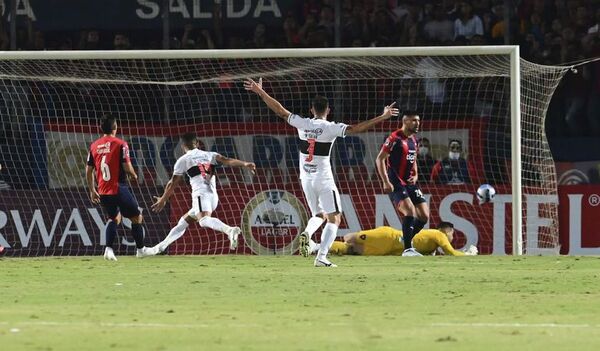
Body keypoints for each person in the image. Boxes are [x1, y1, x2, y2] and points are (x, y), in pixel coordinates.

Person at [245, 78, 399, 267]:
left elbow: (280, 110)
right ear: (328, 110)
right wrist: (383, 117)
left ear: (312, 110)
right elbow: (357, 128)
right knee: (335, 218)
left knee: (319, 215)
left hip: (305, 178)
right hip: (323, 179)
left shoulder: (302, 123)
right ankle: (321, 257)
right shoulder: (330, 128)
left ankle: (308, 235)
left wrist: (260, 92)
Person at [150, 133, 256, 254]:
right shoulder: (210, 155)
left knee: (204, 221)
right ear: (198, 144)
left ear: (182, 146)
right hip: (213, 197)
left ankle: (230, 230)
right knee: (183, 222)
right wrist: (245, 164)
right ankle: (158, 248)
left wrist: (163, 199)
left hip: (201, 196)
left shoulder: (183, 160)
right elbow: (228, 160)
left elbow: (172, 183)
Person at [85, 114, 152, 261]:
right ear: (115, 127)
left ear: (101, 128)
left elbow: (88, 170)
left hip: (103, 190)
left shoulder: (94, 146)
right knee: (136, 217)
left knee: (113, 218)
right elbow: (127, 168)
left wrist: (92, 190)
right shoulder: (121, 144)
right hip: (118, 188)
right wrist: (134, 175)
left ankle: (108, 249)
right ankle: (140, 250)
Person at [375, 111, 429, 256]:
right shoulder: (394, 138)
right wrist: (385, 181)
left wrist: (416, 174)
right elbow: (380, 159)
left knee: (424, 216)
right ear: (405, 122)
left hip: (410, 183)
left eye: (418, 120)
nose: (417, 123)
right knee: (410, 211)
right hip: (396, 183)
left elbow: (414, 158)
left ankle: (405, 237)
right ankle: (407, 249)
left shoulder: (414, 140)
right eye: (413, 120)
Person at [306, 222, 478, 257]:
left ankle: (315, 248)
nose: (452, 237)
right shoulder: (438, 234)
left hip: (387, 249)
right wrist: (468, 255)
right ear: (446, 231)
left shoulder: (430, 246)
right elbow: (451, 252)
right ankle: (316, 246)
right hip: (387, 236)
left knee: (351, 250)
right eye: (452, 233)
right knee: (349, 238)